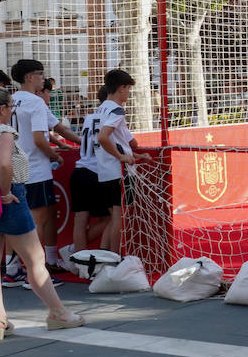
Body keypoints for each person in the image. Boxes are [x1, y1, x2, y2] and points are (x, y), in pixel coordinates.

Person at [0, 86, 84, 339]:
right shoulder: (3, 131)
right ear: (3, 109)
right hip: (9, 197)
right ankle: (58, 312)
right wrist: (5, 192)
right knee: (35, 260)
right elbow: (4, 164)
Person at [10, 60, 82, 275]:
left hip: (14, 168)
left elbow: (56, 127)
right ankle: (34, 271)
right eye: (40, 74)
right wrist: (55, 155)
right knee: (36, 222)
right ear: (30, 77)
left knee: (29, 218)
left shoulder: (10, 100)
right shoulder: (35, 102)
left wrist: (81, 141)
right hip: (34, 169)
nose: (43, 78)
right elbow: (39, 140)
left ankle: (18, 267)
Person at [88, 70, 151, 252]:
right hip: (118, 172)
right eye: (128, 89)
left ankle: (105, 258)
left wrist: (135, 155)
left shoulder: (100, 109)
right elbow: (103, 137)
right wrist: (121, 157)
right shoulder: (116, 110)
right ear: (122, 88)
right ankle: (115, 259)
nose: (129, 93)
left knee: (113, 218)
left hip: (104, 170)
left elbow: (119, 142)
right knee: (119, 219)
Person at [70, 86, 114, 253]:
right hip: (97, 172)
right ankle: (95, 255)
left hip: (80, 170)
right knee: (112, 217)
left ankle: (78, 258)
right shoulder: (112, 116)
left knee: (80, 221)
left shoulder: (89, 117)